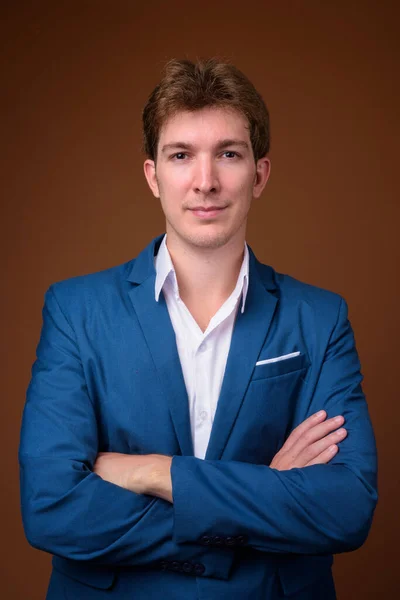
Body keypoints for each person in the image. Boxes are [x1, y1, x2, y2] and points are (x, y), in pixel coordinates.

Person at [19, 58, 377, 600]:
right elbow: (51, 508)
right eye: (181, 155)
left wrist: (157, 473)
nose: (205, 182)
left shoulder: (320, 319)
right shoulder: (75, 311)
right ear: (152, 175)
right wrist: (266, 499)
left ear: (259, 174)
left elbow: (346, 507)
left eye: (228, 155)